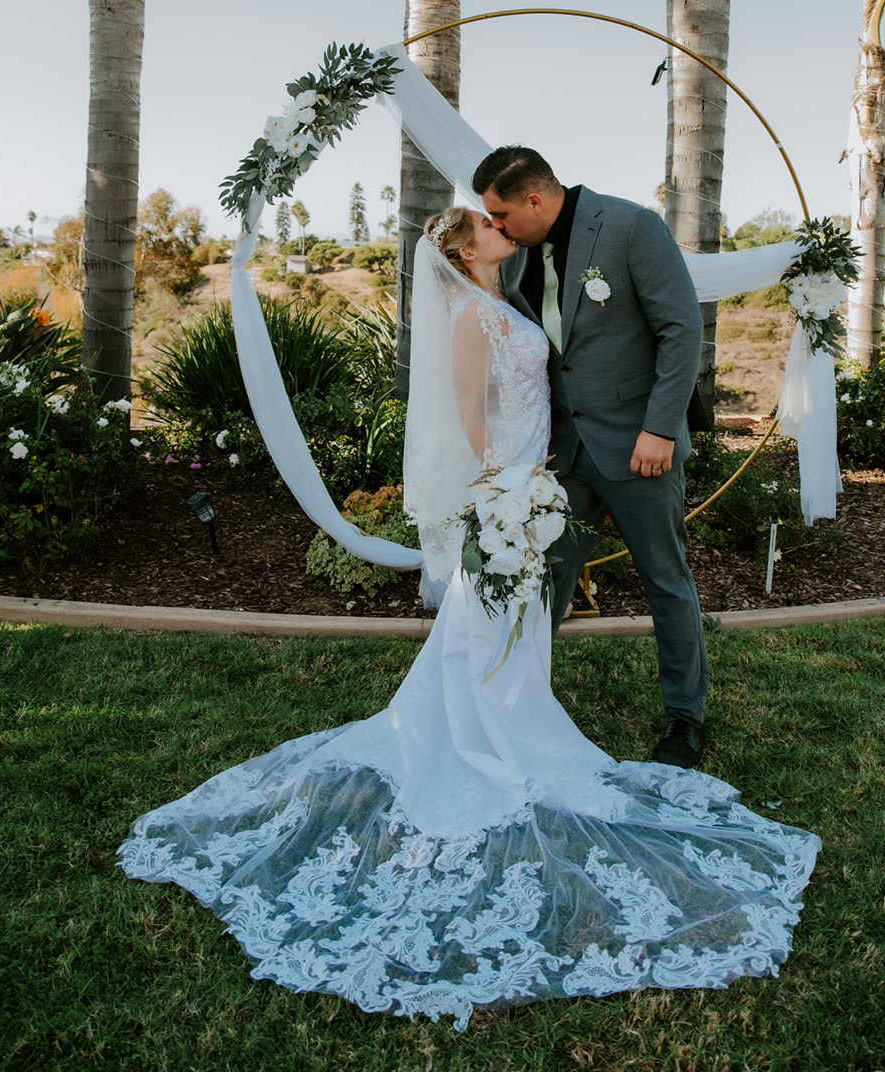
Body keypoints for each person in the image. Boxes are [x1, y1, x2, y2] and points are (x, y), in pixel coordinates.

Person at [118, 208, 819, 1028]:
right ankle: (488, 723)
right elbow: (466, 417)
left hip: (538, 479)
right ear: (460, 250)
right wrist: (502, 491)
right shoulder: (465, 316)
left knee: (512, 615)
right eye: (485, 226)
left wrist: (532, 482)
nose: (499, 230)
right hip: (509, 489)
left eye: (498, 219)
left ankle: (515, 708)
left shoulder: (511, 292)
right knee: (489, 611)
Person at [472, 146, 710, 769]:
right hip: (565, 455)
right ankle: (521, 707)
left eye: (499, 214)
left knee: (666, 582)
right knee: (543, 583)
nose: (495, 227)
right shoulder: (517, 252)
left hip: (640, 452)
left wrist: (660, 429)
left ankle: (685, 720)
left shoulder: (632, 227)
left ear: (534, 199)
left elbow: (682, 329)